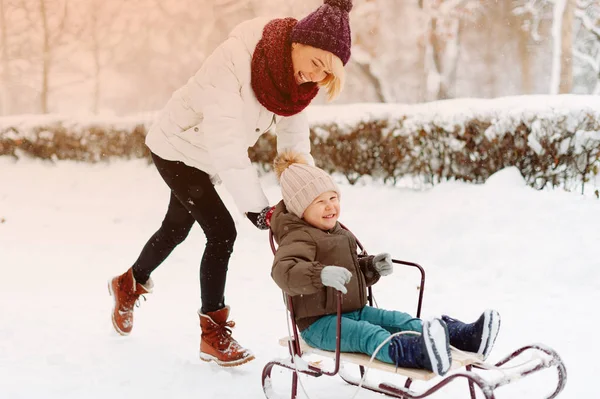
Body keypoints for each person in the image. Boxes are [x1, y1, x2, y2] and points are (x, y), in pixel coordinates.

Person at [108, 0, 354, 368]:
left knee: (175, 228)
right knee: (222, 231)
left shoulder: (298, 86)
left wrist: (308, 194)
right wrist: (258, 209)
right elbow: (225, 140)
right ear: (297, 42)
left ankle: (129, 283)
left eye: (327, 73)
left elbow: (293, 141)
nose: (316, 77)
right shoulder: (234, 59)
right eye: (316, 63)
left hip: (207, 155)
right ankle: (213, 331)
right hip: (177, 146)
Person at [270, 150, 501, 376]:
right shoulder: (297, 236)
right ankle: (420, 354)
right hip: (319, 325)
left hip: (354, 310)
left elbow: (350, 272)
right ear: (301, 210)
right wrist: (319, 275)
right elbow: (283, 271)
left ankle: (464, 337)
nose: (331, 206)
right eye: (320, 202)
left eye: (333, 198)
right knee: (369, 335)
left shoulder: (338, 232)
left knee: (399, 320)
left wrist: (371, 267)